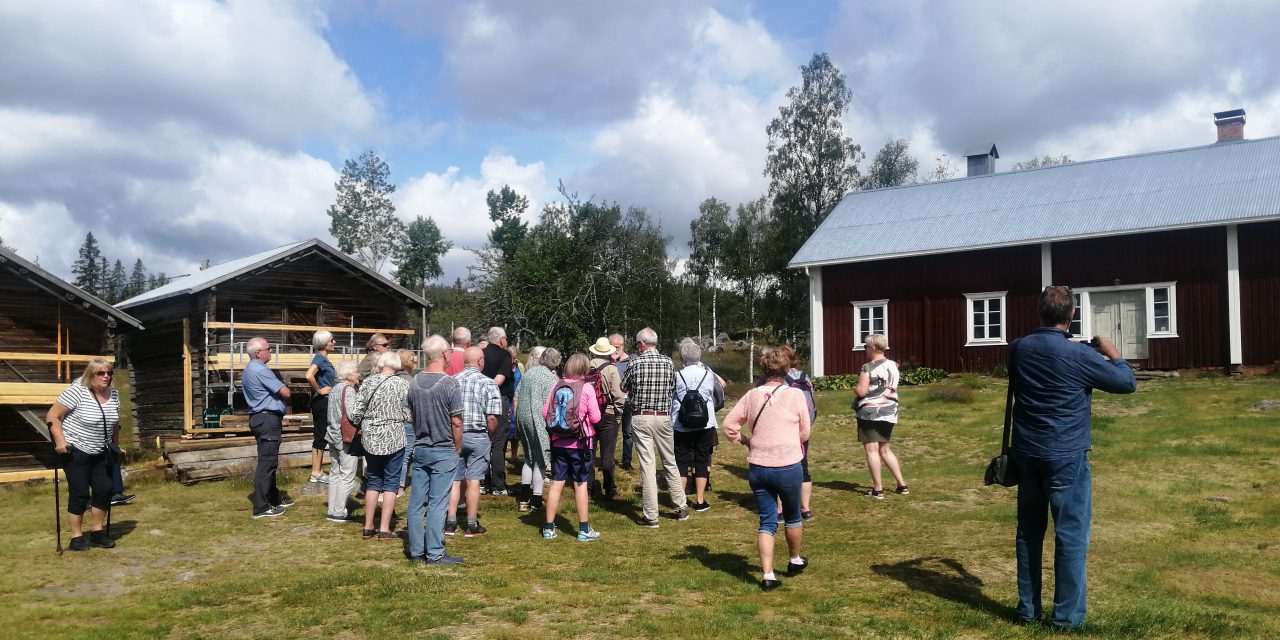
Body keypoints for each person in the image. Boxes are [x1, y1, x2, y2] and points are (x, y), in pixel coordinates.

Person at [1011, 286, 1136, 629]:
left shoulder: (1019, 349)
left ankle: (1027, 610)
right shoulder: (1081, 356)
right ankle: (1065, 619)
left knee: (1029, 532)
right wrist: (1112, 352)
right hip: (1066, 453)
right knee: (1070, 534)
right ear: (1073, 315)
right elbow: (1126, 382)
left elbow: (1045, 360)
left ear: (1039, 312)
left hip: (1026, 451)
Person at [722, 347, 812, 591]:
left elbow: (729, 425)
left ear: (763, 369)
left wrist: (745, 440)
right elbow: (805, 432)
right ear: (787, 369)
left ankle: (768, 574)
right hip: (788, 464)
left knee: (767, 521)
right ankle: (794, 559)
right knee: (793, 516)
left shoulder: (752, 396)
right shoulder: (795, 395)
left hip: (759, 466)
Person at [47, 359, 124, 550]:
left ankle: (97, 532)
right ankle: (76, 538)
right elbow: (52, 416)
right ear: (90, 374)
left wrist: (116, 445)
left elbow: (114, 423)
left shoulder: (114, 394)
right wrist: (60, 441)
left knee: (105, 489)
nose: (106, 376)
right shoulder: (77, 391)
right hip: (76, 450)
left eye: (109, 373)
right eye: (101, 373)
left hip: (101, 450)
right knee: (80, 492)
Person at [406, 335, 465, 565]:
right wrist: (457, 447)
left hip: (421, 448)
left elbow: (413, 417)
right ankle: (435, 553)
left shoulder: (414, 382)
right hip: (443, 449)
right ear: (444, 354)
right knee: (438, 503)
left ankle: (416, 551)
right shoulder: (449, 384)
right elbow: (457, 422)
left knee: (416, 503)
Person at [620, 327, 688, 527]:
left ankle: (651, 515)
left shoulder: (635, 362)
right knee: (670, 461)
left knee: (647, 466)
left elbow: (624, 387)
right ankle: (680, 506)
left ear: (641, 343)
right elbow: (673, 386)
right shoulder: (668, 362)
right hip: (663, 417)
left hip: (642, 417)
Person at [541, 353, 603, 541]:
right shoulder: (586, 388)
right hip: (581, 443)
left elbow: (546, 413)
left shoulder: (556, 385)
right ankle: (584, 529)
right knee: (580, 484)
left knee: (556, 483)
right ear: (584, 368)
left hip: (558, 441)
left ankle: (548, 528)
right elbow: (596, 418)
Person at [349, 351, 409, 541]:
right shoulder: (402, 384)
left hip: (371, 437)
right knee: (391, 483)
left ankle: (368, 526)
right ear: (396, 365)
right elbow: (408, 415)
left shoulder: (368, 383)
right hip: (394, 437)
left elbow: (355, 412)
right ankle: (384, 529)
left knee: (373, 481)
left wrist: (366, 422)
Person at [446, 346, 502, 537]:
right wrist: (491, 435)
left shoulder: (451, 381)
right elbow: (493, 418)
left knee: (455, 479)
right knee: (473, 480)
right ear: (480, 361)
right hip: (478, 434)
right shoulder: (489, 383)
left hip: (456, 434)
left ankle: (450, 522)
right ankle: (471, 524)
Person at [240, 337, 293, 518]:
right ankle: (261, 507)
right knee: (267, 462)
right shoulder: (260, 369)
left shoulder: (249, 369)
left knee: (268, 460)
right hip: (267, 418)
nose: (271, 351)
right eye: (268, 348)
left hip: (260, 419)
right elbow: (285, 392)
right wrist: (284, 388)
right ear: (258, 353)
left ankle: (273, 497)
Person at [671, 338, 722, 512]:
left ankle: (681, 501)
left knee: (681, 461)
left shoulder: (677, 375)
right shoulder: (708, 374)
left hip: (681, 423)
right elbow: (713, 393)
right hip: (705, 423)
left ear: (683, 358)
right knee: (702, 459)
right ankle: (700, 500)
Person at [854, 335, 906, 500]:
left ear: (873, 348)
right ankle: (901, 484)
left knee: (872, 450)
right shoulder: (893, 365)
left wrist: (855, 389)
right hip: (890, 410)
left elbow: (862, 391)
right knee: (885, 449)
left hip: (870, 411)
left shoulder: (867, 368)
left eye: (866, 346)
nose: (866, 349)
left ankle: (878, 489)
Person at [516, 347, 558, 513]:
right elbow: (552, 403)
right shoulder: (550, 378)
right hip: (538, 419)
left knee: (528, 457)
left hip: (523, 418)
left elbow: (517, 395)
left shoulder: (528, 374)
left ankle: (523, 499)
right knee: (540, 459)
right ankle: (536, 500)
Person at [586, 337, 625, 500]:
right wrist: (618, 414)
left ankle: (587, 487)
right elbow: (619, 395)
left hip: (588, 415)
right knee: (607, 454)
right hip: (608, 414)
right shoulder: (611, 369)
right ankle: (610, 488)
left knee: (588, 452)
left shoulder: (585, 367)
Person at [324, 360, 362, 522]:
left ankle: (332, 509)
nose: (359, 374)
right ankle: (339, 511)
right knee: (347, 474)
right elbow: (353, 415)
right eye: (356, 372)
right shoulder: (349, 390)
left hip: (332, 434)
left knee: (335, 473)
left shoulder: (334, 390)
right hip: (345, 437)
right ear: (349, 375)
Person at [480, 327, 513, 496]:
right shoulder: (504, 355)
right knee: (498, 444)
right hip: (498, 400)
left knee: (484, 441)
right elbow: (498, 381)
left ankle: (483, 482)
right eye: (506, 338)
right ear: (501, 340)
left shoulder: (480, 354)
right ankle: (498, 485)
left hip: (480, 401)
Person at [305, 330, 336, 484]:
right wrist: (319, 390)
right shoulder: (319, 358)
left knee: (321, 435)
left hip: (323, 402)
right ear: (324, 343)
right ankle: (316, 472)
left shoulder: (323, 358)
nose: (334, 342)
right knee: (321, 435)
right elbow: (308, 375)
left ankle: (317, 471)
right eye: (332, 340)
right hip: (322, 402)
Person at [610, 333, 635, 470]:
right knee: (611, 432)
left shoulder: (631, 361)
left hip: (627, 401)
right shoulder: (608, 361)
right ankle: (608, 460)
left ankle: (627, 460)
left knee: (628, 432)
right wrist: (612, 362)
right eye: (612, 347)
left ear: (622, 346)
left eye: (617, 347)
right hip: (611, 402)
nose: (614, 350)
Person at [396, 349, 419, 496]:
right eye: (413, 361)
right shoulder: (412, 382)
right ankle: (400, 487)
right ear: (406, 363)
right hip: (408, 422)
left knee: (398, 455)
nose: (415, 364)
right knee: (405, 456)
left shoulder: (392, 379)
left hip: (394, 421)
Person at [506, 345, 523, 463]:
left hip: (517, 400)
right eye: (512, 358)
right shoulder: (503, 368)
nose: (514, 360)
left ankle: (514, 455)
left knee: (515, 429)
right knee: (505, 429)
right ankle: (502, 455)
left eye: (516, 358)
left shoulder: (519, 367)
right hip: (506, 400)